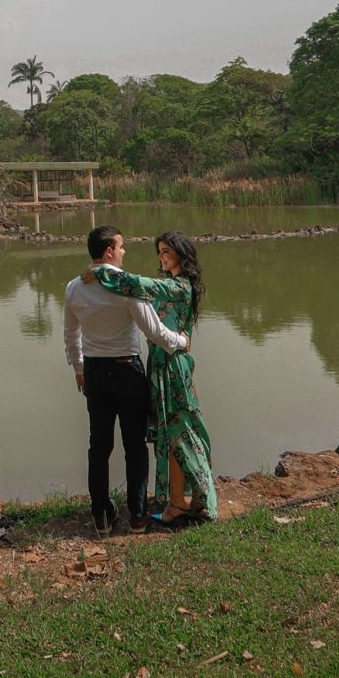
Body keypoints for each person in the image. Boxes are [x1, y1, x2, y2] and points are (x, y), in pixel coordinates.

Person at [83, 230, 216, 525]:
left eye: (167, 251)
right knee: (171, 433)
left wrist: (101, 273)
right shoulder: (171, 284)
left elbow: (140, 285)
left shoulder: (179, 286)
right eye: (159, 251)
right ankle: (182, 498)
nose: (161, 256)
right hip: (159, 361)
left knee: (177, 432)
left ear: (182, 254)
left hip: (172, 364)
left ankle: (183, 501)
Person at [64, 224, 191, 536]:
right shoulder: (126, 288)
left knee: (99, 446)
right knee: (134, 446)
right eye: (120, 247)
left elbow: (71, 334)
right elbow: (155, 333)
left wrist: (79, 368)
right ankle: (137, 516)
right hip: (126, 371)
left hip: (94, 372)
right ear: (109, 251)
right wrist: (182, 342)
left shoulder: (74, 287)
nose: (123, 252)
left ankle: (102, 515)